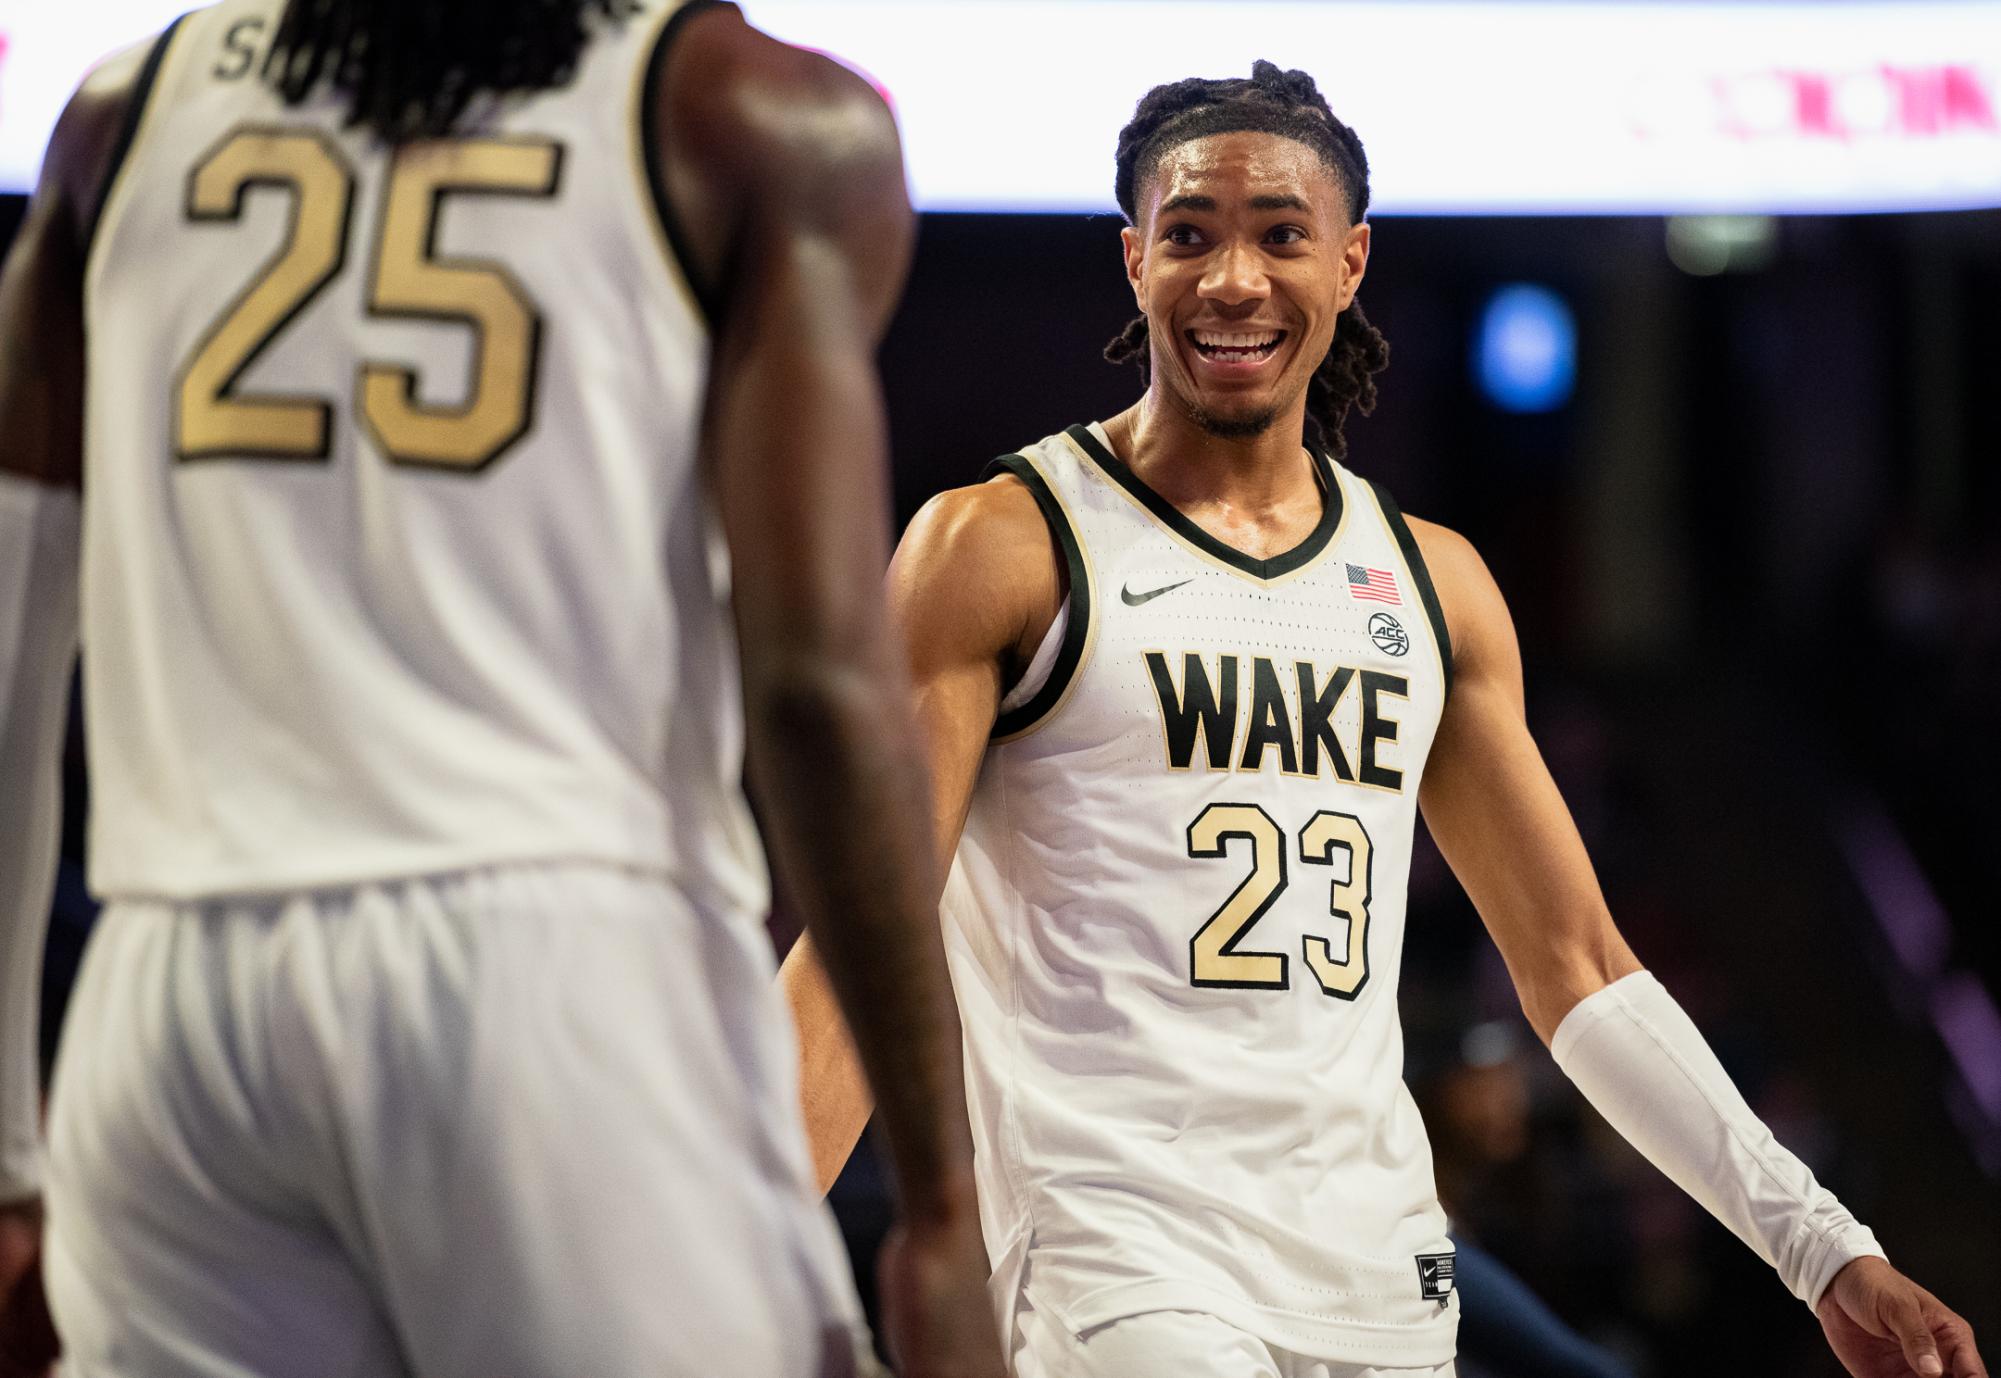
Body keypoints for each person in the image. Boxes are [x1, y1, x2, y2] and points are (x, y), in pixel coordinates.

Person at [779, 61, 1988, 1378]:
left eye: (1278, 233)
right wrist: (737, 1261)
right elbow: (859, 941)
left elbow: (1578, 969)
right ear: (1133, 261)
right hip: (1121, 1271)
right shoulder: (998, 545)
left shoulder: (1433, 582)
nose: (1231, 277)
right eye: (1188, 233)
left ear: (1350, 262)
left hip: (1378, 1270)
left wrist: (1820, 1246)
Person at [0, 1, 1002, 1375]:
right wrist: (940, 1201)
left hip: (169, 991)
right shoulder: (750, 114)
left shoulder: (115, 116)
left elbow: (8, 652)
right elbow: (821, 688)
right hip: (548, 966)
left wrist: (5, 1142)